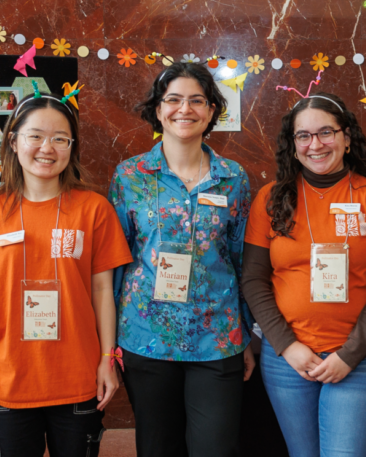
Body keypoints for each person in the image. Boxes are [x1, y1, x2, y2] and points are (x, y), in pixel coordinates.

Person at [242, 90, 366, 457]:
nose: (315, 144)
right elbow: (254, 279)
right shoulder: (271, 200)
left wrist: (350, 355)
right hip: (288, 359)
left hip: (356, 358)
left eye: (326, 132)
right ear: (293, 145)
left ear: (346, 137)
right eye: (303, 136)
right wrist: (287, 346)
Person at [108, 62, 255, 457]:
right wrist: (111, 344)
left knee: (216, 448)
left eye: (196, 100)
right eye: (173, 99)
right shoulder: (130, 176)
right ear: (158, 110)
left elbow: (241, 258)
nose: (184, 109)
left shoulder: (233, 177)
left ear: (211, 111)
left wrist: (246, 335)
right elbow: (116, 262)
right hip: (146, 336)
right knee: (158, 447)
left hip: (217, 337)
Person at [0, 91, 132, 456]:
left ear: (72, 146)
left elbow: (103, 292)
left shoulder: (93, 209)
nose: (46, 148)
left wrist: (107, 359)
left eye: (60, 139)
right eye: (35, 135)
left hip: (78, 378)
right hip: (10, 380)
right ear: (14, 140)